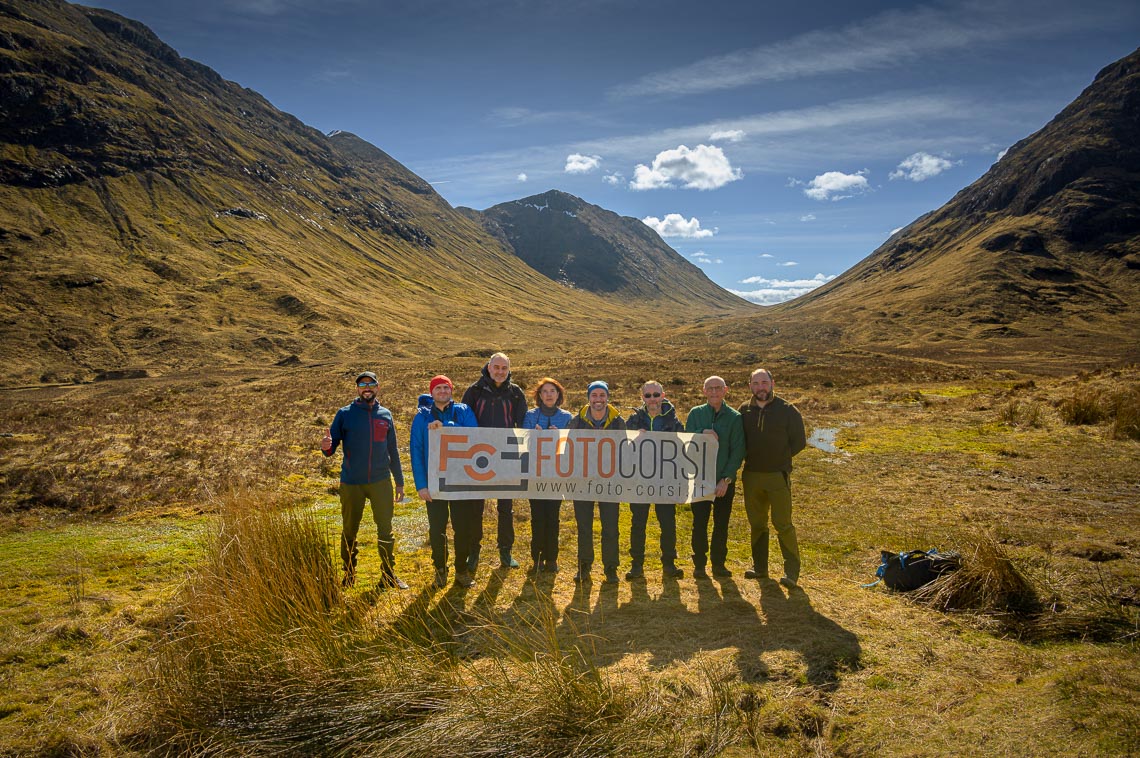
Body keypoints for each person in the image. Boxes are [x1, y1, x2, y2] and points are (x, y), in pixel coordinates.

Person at [321, 371, 407, 590]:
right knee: (349, 530)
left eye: (371, 384)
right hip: (352, 483)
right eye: (362, 384)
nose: (366, 387)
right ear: (357, 389)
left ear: (378, 387)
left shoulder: (385, 415)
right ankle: (349, 575)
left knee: (385, 530)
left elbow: (393, 451)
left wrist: (399, 481)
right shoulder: (344, 414)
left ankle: (388, 575)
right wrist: (326, 447)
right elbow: (331, 448)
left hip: (381, 482)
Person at [410, 375, 482, 589]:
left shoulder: (464, 411)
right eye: (438, 388)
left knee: (463, 528)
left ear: (451, 390)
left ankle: (461, 570)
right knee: (437, 528)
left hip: (461, 481)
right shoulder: (421, 418)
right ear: (431, 393)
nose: (442, 391)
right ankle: (440, 570)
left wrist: (446, 426)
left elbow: (475, 437)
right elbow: (417, 451)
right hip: (434, 483)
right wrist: (421, 485)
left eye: (446, 387)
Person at [738, 368, 806, 587]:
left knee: (783, 523)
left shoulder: (788, 410)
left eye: (764, 382)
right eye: (756, 383)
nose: (761, 387)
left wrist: (780, 459)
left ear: (772, 383)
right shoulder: (744, 410)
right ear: (750, 386)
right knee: (757, 524)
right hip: (751, 476)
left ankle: (791, 572)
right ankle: (760, 568)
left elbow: (799, 441)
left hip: (778, 476)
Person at [461, 352, 527, 570]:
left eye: (504, 368)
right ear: (488, 368)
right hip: (478, 457)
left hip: (507, 456)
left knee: (506, 508)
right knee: (475, 507)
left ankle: (506, 551)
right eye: (496, 367)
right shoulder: (474, 391)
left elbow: (523, 424)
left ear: (509, 370)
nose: (500, 372)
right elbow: (462, 421)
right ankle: (473, 551)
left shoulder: (516, 393)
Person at [684, 376, 746, 580]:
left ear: (725, 390)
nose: (714, 392)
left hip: (723, 483)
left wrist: (726, 479)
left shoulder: (735, 417)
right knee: (699, 524)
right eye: (710, 388)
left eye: (718, 388)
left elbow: (738, 451)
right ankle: (699, 565)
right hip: (699, 480)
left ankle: (719, 564)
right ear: (703, 391)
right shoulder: (695, 414)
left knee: (721, 524)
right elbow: (686, 441)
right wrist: (702, 432)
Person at [624, 380, 685, 580]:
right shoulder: (633, 420)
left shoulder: (674, 421)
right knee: (638, 523)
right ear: (642, 398)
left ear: (663, 395)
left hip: (665, 480)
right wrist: (633, 438)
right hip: (639, 480)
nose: (652, 399)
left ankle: (669, 564)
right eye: (648, 395)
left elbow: (684, 449)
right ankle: (636, 566)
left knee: (668, 523)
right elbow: (621, 447)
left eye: (656, 395)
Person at [568, 380, 626, 584]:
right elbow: (567, 449)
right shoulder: (577, 420)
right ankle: (584, 566)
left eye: (602, 395)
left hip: (609, 483)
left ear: (607, 397)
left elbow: (625, 450)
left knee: (610, 527)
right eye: (594, 395)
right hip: (582, 482)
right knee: (584, 527)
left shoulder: (618, 421)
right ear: (588, 398)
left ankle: (611, 568)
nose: (598, 399)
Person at [522, 377, 572, 575]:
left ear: (558, 394)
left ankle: (552, 558)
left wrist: (560, 435)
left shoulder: (567, 416)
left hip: (557, 474)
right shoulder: (530, 415)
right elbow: (523, 441)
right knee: (537, 517)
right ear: (539, 395)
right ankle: (537, 559)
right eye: (545, 391)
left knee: (553, 517)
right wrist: (532, 435)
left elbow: (573, 444)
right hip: (535, 473)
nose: (549, 394)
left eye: (553, 391)